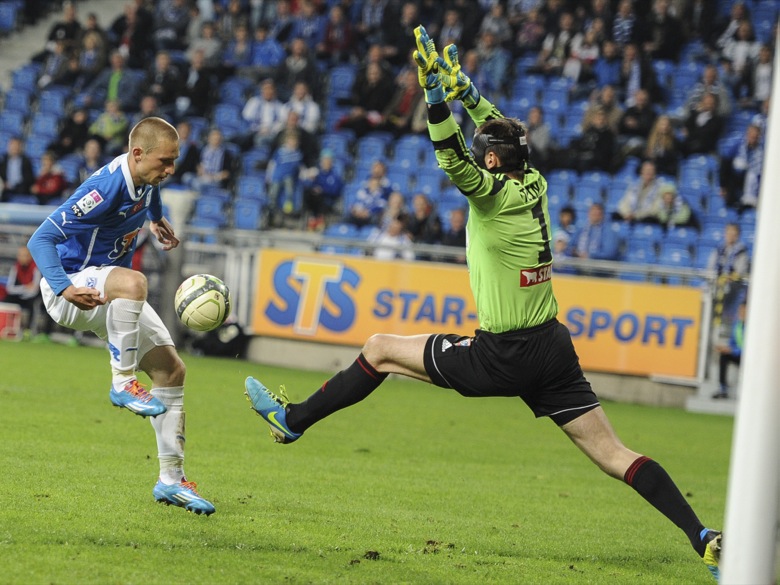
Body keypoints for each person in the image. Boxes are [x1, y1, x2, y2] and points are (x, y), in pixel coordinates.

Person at [243, 27, 722, 580]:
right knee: (615, 455)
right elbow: (505, 135)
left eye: (482, 155)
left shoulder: (491, 196)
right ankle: (703, 538)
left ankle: (294, 420)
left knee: (378, 349)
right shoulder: (533, 180)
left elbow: (450, 157)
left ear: (491, 165)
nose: (478, 156)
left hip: (505, 353)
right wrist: (468, 92)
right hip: (552, 347)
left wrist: (434, 94)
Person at [27, 117, 214, 515]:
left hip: (105, 292)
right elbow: (39, 238)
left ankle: (171, 481)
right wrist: (63, 287)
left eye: (174, 160)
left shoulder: (145, 180)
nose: (171, 169)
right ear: (137, 154)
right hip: (72, 287)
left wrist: (157, 218)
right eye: (165, 161)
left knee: (172, 371)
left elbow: (149, 194)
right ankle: (122, 382)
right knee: (134, 283)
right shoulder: (103, 188)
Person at [713, 301, 745, 399]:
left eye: (744, 310)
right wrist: (726, 348)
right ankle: (723, 389)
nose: (741, 312)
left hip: (750, 357)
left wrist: (733, 351)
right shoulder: (737, 325)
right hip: (738, 355)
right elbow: (732, 343)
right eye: (740, 310)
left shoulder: (754, 327)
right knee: (724, 356)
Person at [0, 137, 35, 202]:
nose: (15, 148)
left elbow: (29, 179)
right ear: (9, 146)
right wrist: (4, 184)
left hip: (21, 189)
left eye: (17, 145)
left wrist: (14, 185)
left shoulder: (26, 161)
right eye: (13, 145)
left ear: (21, 147)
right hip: (5, 189)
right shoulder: (3, 160)